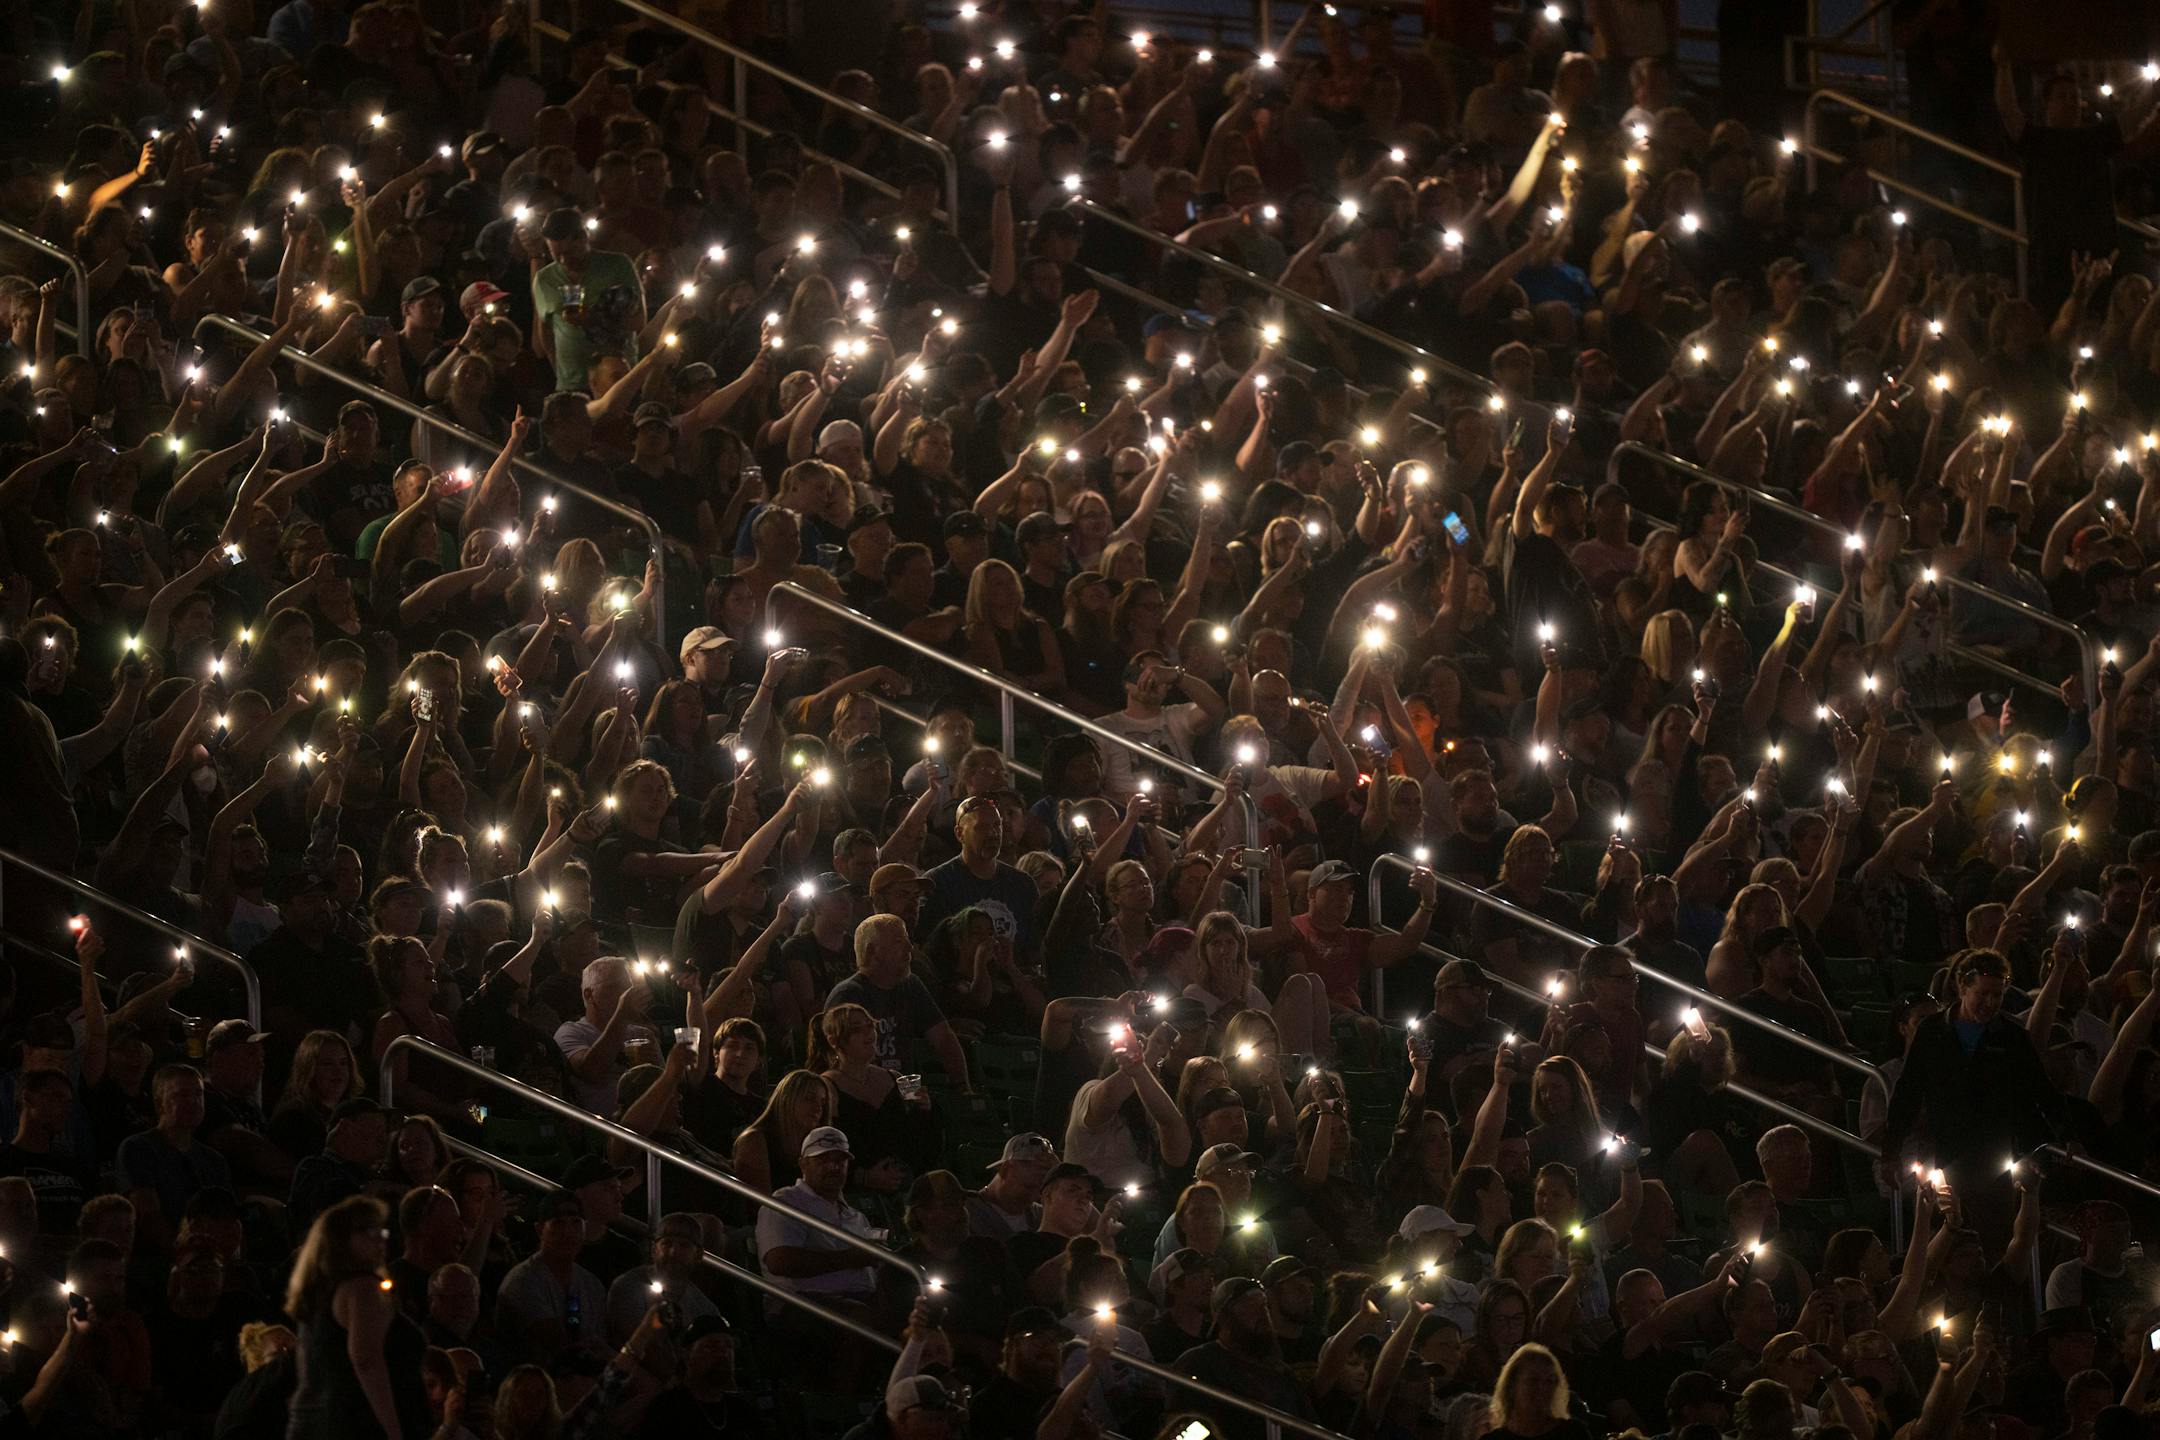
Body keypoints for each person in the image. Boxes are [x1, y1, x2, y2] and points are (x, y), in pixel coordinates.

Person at [285, 1194, 433, 1440]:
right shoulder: (363, 1289)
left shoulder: (319, 1294)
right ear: (341, 1240)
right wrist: (394, 1433)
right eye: (368, 1233)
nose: (380, 1241)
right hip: (359, 1424)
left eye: (380, 1232)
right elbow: (367, 1360)